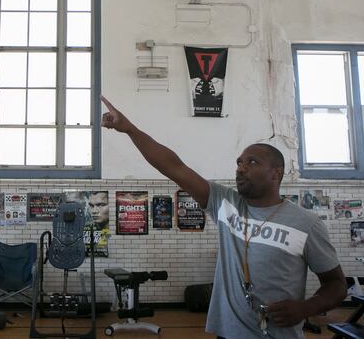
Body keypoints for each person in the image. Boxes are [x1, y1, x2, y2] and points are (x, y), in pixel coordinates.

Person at [101, 97, 346, 339]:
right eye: (239, 162)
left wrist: (305, 308)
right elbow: (173, 167)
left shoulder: (306, 223)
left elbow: (336, 285)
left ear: (276, 173)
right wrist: (130, 130)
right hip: (228, 333)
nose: (241, 168)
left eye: (252, 162)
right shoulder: (226, 204)